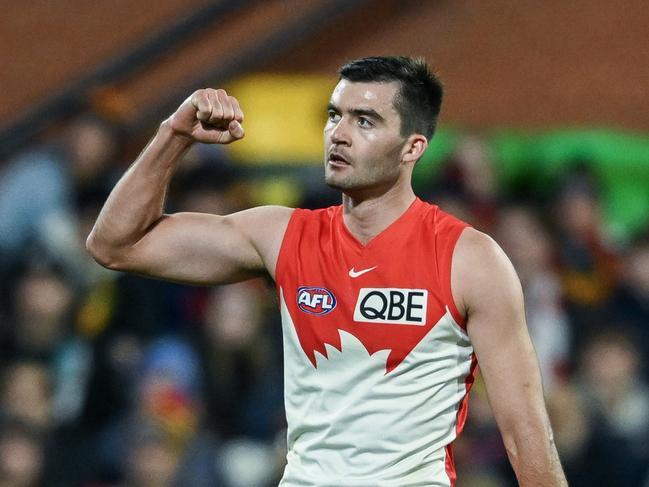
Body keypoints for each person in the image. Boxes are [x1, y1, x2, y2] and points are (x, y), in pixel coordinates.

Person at [87, 56, 567, 486]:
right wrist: (174, 134)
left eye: (365, 121)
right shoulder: (282, 235)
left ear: (411, 148)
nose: (338, 133)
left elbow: (525, 432)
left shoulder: (470, 259)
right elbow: (115, 244)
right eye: (335, 115)